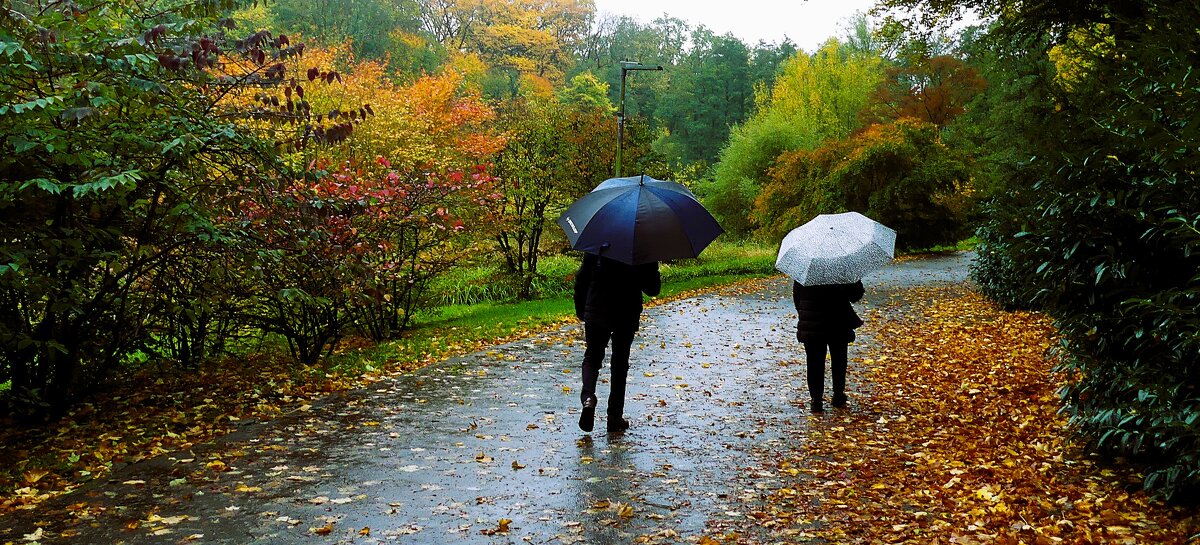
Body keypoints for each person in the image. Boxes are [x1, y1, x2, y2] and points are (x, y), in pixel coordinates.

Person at [574, 250, 661, 433]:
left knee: (592, 358)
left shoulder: (598, 243)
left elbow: (582, 278)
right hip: (626, 312)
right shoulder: (643, 248)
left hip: (596, 308)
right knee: (620, 363)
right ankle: (614, 417)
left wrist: (581, 309)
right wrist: (652, 267)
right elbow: (653, 289)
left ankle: (588, 399)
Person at [793, 280, 865, 413]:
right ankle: (838, 394)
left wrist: (806, 314)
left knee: (814, 362)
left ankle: (816, 400)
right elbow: (856, 295)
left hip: (812, 323)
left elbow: (797, 298)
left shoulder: (807, 268)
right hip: (838, 321)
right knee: (839, 359)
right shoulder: (842, 269)